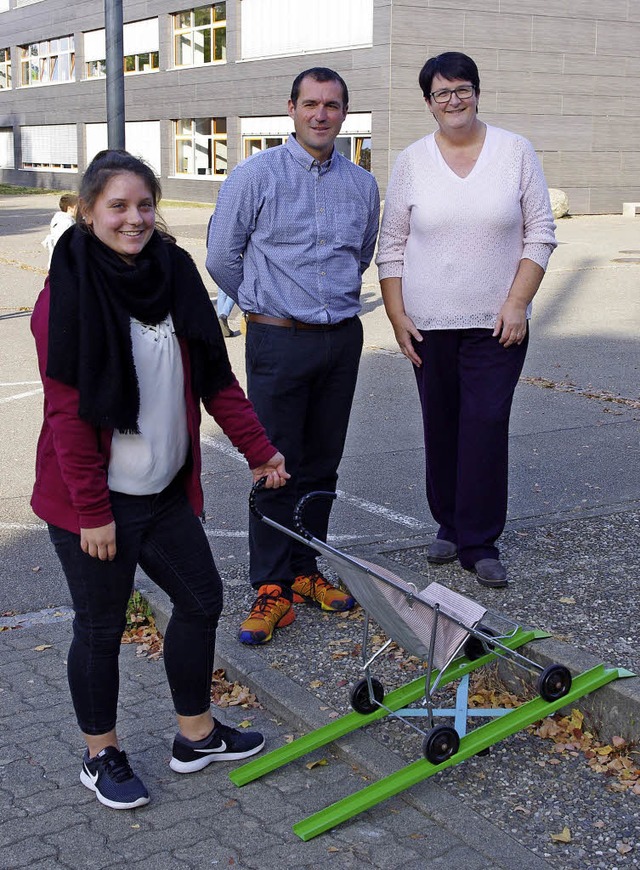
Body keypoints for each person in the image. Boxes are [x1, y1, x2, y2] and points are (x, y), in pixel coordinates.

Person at [30, 149, 289, 810]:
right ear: (88, 212)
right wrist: (91, 511)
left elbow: (215, 381)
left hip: (165, 489)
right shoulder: (65, 295)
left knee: (201, 600)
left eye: (144, 204)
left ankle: (195, 735)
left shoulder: (174, 273)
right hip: (95, 501)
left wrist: (260, 451)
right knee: (99, 626)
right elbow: (65, 414)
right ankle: (101, 754)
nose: (134, 218)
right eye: (117, 205)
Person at [207, 67, 380, 644]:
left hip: (340, 338)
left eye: (332, 105)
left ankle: (306, 571)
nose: (321, 114)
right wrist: (268, 304)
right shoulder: (255, 177)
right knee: (275, 462)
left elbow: (360, 255)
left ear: (344, 113)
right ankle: (270, 586)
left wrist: (324, 304)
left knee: (323, 462)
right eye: (311, 103)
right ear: (291, 108)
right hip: (277, 337)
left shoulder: (361, 185)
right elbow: (222, 258)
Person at [376, 52, 556, 589]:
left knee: (484, 423)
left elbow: (540, 232)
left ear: (477, 91)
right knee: (442, 422)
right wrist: (396, 314)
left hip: (497, 324)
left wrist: (518, 303)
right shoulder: (411, 161)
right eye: (441, 93)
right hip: (430, 324)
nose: (452, 100)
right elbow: (392, 245)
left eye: (462, 89)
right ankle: (449, 525)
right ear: (428, 102)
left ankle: (480, 541)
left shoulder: (514, 152)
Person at [41, 193, 78, 266]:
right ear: (70, 208)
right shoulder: (67, 223)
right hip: (63, 262)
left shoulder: (58, 218)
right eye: (78, 207)